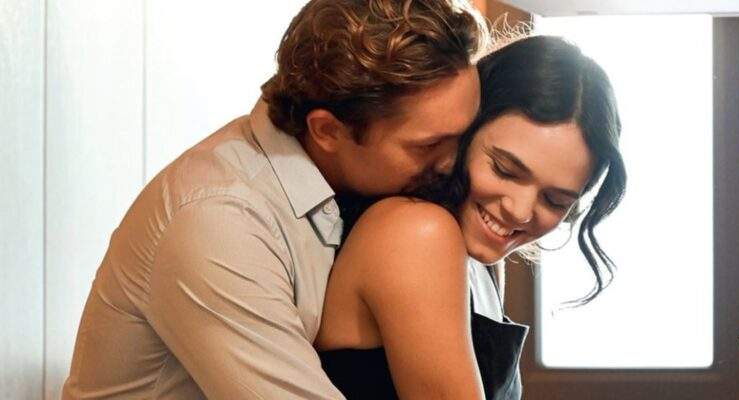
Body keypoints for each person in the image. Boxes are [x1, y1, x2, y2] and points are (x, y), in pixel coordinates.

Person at [61, 1, 488, 399]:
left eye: (464, 134)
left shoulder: (345, 182)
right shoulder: (220, 220)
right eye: (427, 145)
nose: (453, 163)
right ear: (327, 131)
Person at [313, 35, 627, 399]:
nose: (520, 211)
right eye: (505, 170)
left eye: (555, 200)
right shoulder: (416, 232)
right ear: (463, 130)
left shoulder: (477, 254)